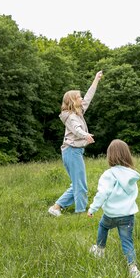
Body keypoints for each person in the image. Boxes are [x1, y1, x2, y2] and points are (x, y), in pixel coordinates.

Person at [48, 70, 103, 217]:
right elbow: (77, 130)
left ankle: (56, 207)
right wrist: (86, 135)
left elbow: (89, 97)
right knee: (81, 186)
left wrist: (96, 79)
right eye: (79, 97)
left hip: (73, 152)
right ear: (73, 101)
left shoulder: (78, 112)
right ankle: (80, 213)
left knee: (77, 184)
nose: (81, 98)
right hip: (71, 151)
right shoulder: (71, 117)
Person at [87, 139, 140, 278]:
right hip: (127, 215)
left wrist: (93, 208)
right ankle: (133, 269)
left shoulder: (109, 174)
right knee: (127, 241)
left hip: (111, 214)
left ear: (110, 156)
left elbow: (102, 193)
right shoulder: (132, 175)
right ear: (127, 155)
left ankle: (100, 250)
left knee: (103, 226)